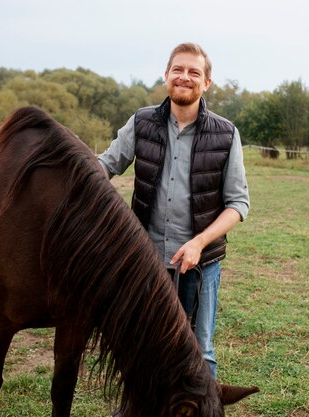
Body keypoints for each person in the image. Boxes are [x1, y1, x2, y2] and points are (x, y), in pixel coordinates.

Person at [98, 42, 250, 378]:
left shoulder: (225, 134)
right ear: (166, 76)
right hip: (145, 262)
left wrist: (198, 243)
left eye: (194, 72)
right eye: (178, 70)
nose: (185, 77)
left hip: (200, 267)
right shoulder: (141, 123)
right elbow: (103, 167)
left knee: (200, 351)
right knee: (141, 344)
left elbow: (238, 204)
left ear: (206, 83)